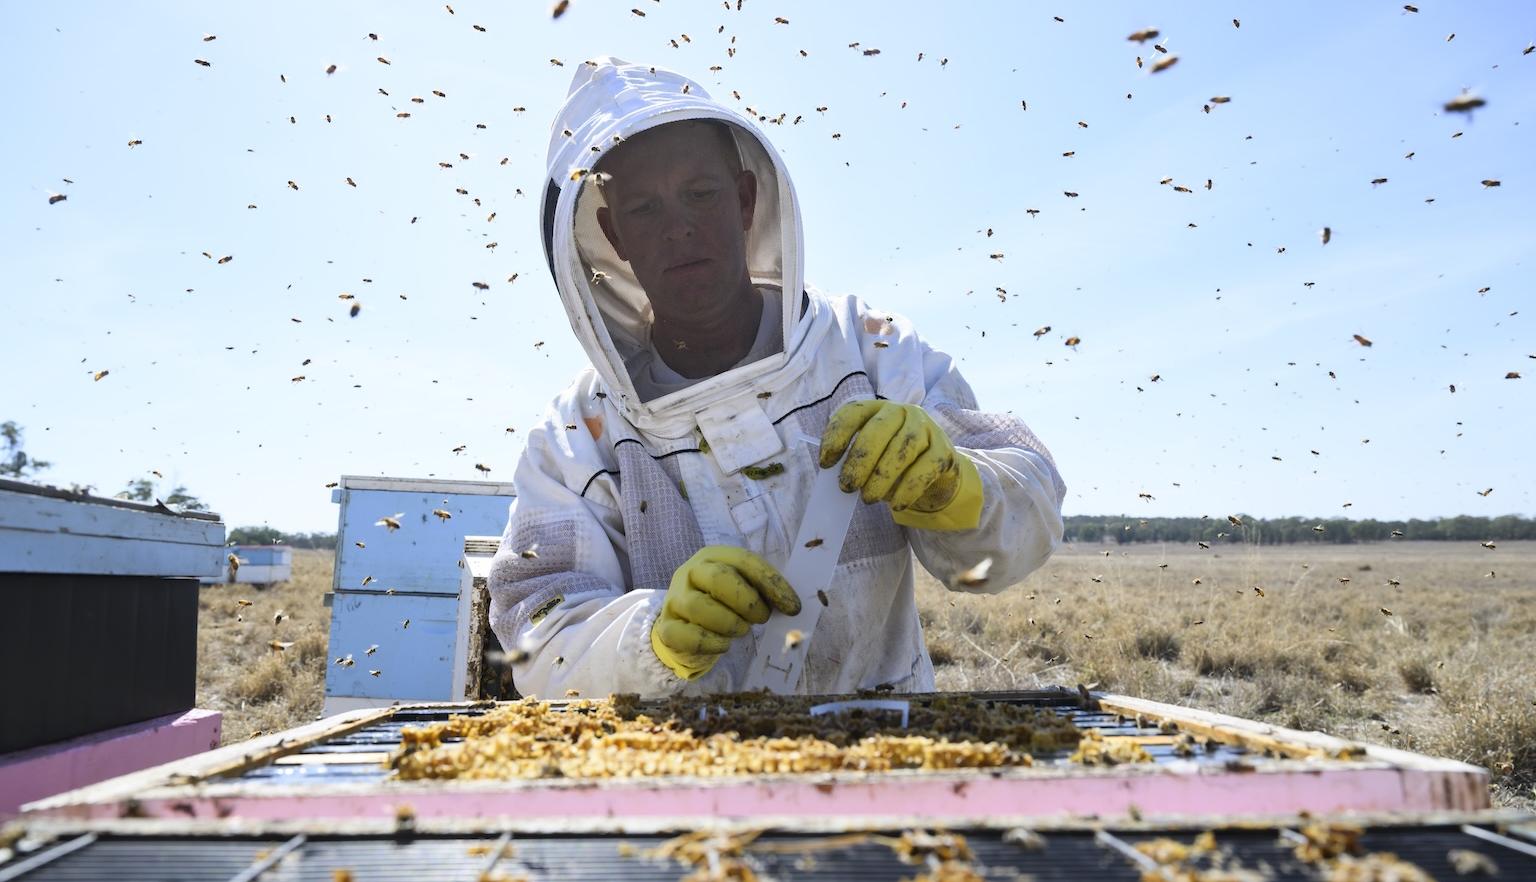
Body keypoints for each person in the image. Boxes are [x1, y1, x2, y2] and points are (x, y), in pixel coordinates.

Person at [488, 57, 1065, 698]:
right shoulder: (576, 438)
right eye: (644, 208)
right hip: (686, 780)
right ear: (611, 234)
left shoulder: (867, 352)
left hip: (886, 754)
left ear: (745, 200)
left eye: (700, 194)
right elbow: (540, 636)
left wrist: (956, 487)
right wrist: (648, 640)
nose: (678, 226)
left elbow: (1019, 532)